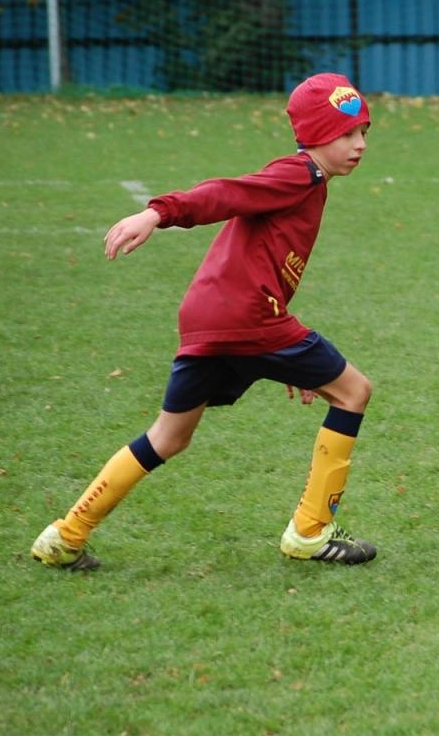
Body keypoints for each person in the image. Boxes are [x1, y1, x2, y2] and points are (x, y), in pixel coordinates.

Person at [29, 73, 379, 571]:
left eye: (364, 132)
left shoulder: (310, 181)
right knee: (353, 392)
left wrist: (290, 354)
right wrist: (158, 213)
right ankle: (310, 531)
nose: (360, 144)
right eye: (348, 134)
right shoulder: (297, 174)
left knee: (168, 437)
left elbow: (259, 263)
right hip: (249, 318)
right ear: (316, 135)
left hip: (212, 316)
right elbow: (226, 193)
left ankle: (65, 535)